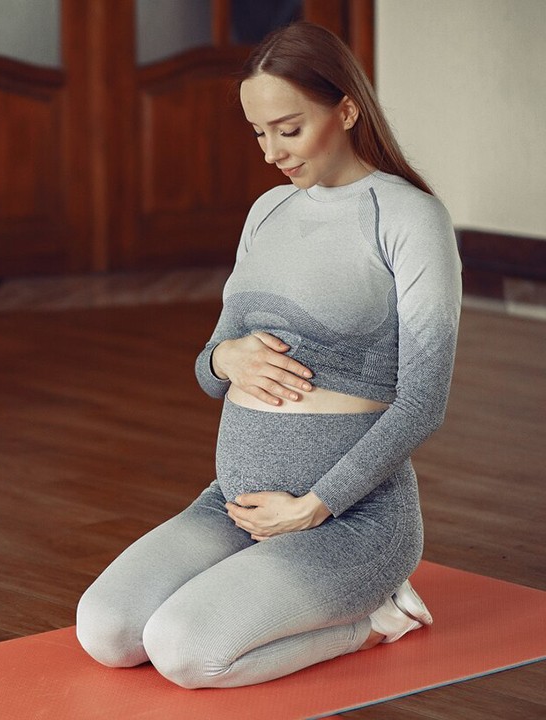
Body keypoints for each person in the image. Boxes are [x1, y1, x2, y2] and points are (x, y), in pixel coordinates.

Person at [75, 22, 462, 689]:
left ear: (345, 109)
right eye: (258, 132)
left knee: (185, 651)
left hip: (349, 520)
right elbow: (208, 367)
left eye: (288, 128)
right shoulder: (268, 212)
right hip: (234, 504)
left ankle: (376, 616)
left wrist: (313, 505)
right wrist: (227, 358)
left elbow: (424, 402)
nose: (271, 153)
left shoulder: (409, 219)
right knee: (106, 631)